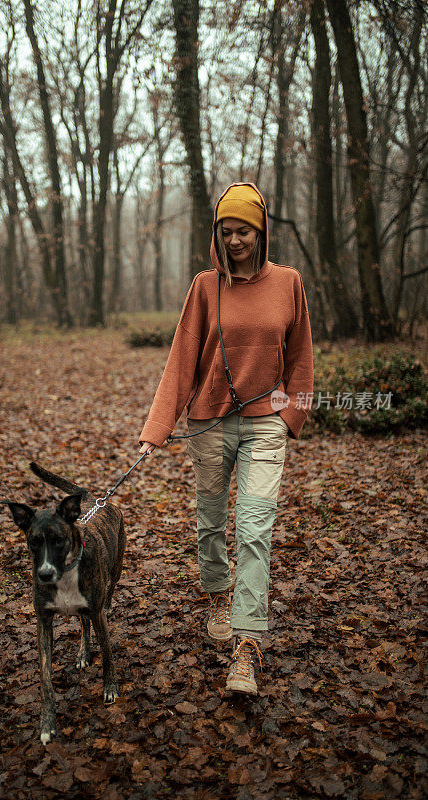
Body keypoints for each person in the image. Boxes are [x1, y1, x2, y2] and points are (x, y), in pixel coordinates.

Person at [138, 182, 314, 695]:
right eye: (226, 230)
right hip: (209, 423)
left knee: (254, 530)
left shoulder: (288, 283)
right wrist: (157, 429)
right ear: (216, 233)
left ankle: (246, 648)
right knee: (212, 521)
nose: (235, 240)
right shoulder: (204, 286)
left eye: (244, 230)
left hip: (265, 422)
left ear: (262, 230)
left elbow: (301, 355)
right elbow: (182, 359)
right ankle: (217, 593)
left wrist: (291, 418)